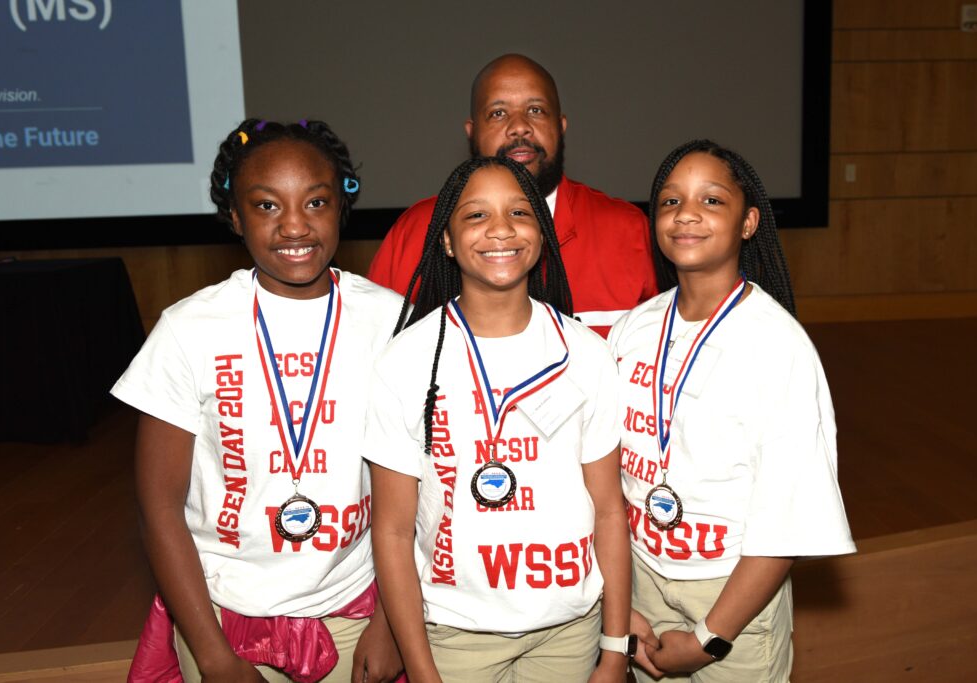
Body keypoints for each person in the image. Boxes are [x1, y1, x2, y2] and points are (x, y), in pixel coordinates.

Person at [112, 119, 403, 683]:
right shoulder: (188, 329)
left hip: (357, 611)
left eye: (315, 201)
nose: (295, 225)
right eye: (267, 206)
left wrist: (391, 622)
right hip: (223, 614)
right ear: (235, 216)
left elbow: (418, 491)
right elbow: (160, 508)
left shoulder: (390, 320)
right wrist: (214, 655)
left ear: (342, 206)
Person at [364, 156, 633, 682]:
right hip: (455, 633)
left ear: (542, 232)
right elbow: (393, 532)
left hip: (569, 629)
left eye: (519, 213)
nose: (501, 230)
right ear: (445, 240)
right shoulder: (407, 359)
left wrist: (614, 649)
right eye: (476, 216)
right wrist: (422, 671)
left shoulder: (584, 353)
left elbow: (608, 512)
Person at [609, 140, 855, 682]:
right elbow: (604, 477)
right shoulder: (633, 329)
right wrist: (618, 602)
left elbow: (786, 520)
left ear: (748, 223)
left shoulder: (778, 346)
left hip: (730, 598)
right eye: (670, 202)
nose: (686, 214)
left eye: (711, 201)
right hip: (642, 581)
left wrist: (708, 638)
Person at [366, 53, 656, 338]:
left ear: (561, 126)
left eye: (536, 110)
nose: (519, 126)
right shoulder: (416, 230)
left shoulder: (628, 230)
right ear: (472, 132)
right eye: (498, 113)